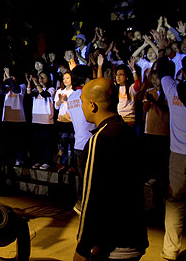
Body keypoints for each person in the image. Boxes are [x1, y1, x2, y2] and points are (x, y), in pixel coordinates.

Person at [74, 78, 148, 261]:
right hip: (135, 234)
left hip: (113, 243)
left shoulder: (99, 140)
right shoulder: (128, 133)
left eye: (82, 102)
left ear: (92, 105)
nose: (81, 107)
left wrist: (83, 248)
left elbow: (91, 200)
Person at [157, 54, 186, 261]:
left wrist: (162, 50)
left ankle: (170, 250)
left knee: (175, 202)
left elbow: (162, 71)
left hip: (179, 156)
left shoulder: (171, 89)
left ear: (184, 73)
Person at [67, 65, 96, 213]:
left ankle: (80, 203)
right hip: (91, 142)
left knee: (83, 178)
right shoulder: (88, 95)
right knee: (92, 180)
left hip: (78, 143)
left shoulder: (71, 97)